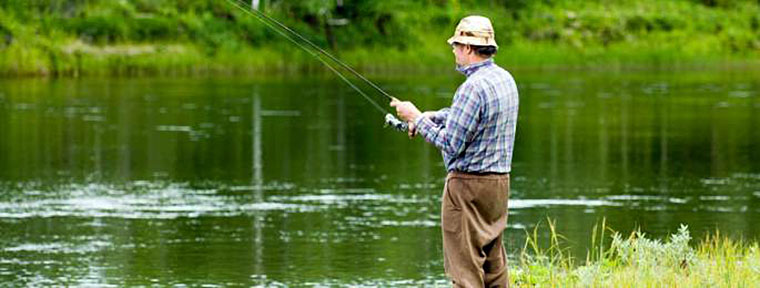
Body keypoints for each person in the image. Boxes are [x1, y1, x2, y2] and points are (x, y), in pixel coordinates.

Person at [390, 15, 519, 287]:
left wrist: (415, 116)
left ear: (469, 48)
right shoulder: (504, 79)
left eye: (456, 45)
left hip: (467, 189)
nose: (453, 50)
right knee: (494, 268)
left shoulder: (471, 87)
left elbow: (451, 144)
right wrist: (428, 117)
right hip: (499, 186)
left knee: (465, 272)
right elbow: (467, 117)